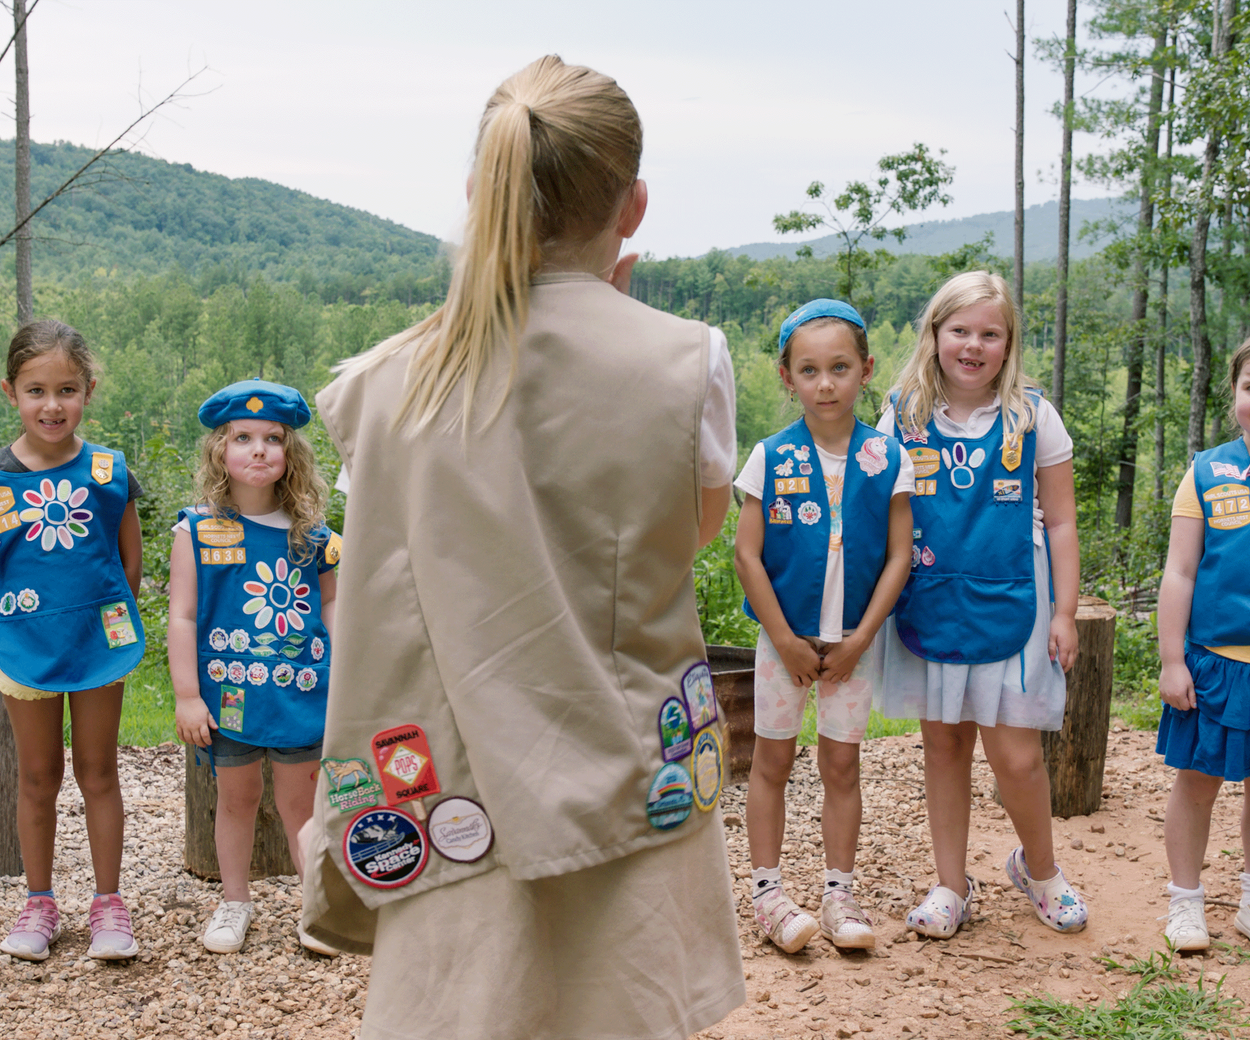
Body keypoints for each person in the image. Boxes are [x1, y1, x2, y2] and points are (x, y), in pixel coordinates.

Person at [300, 55, 745, 1040]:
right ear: (632, 206)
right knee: (619, 1004)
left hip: (451, 777)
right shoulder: (686, 359)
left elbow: (387, 553)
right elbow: (689, 534)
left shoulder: (384, 381)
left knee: (463, 1008)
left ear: (478, 191)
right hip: (626, 762)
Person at [875, 271, 1086, 938]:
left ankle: (1041, 870)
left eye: (989, 334)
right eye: (959, 330)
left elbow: (1061, 521)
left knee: (1016, 755)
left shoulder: (1032, 414)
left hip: (1015, 600)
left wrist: (1064, 612)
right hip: (932, 596)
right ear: (935, 334)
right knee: (943, 743)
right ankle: (949, 884)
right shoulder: (902, 413)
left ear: (1008, 343)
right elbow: (880, 509)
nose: (973, 345)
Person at [733, 299, 913, 953]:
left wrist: (862, 637)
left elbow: (898, 556)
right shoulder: (769, 457)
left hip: (852, 649)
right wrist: (781, 637)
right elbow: (746, 553)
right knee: (772, 761)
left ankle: (839, 894)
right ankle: (768, 895)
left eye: (840, 368)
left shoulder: (886, 457)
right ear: (787, 377)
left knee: (842, 765)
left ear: (865, 370)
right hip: (785, 644)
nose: (826, 383)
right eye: (809, 370)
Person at [169, 379, 340, 956]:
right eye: (243, 437)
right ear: (221, 450)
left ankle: (317, 908)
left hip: (303, 694)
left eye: (273, 438)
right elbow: (184, 616)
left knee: (301, 804)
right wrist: (188, 696)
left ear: (292, 454)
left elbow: (334, 605)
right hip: (227, 698)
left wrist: (347, 680)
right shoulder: (195, 529)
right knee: (236, 799)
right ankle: (234, 901)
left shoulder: (314, 537)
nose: (259, 449)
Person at [0, 320, 145, 962]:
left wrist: (103, 625)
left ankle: (108, 907)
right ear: (11, 393)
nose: (51, 405)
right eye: (36, 390)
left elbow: (129, 564)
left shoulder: (111, 471)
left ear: (88, 389)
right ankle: (39, 902)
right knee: (38, 776)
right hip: (23, 647)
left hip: (98, 645)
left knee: (98, 771)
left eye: (66, 389)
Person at [1155, 339, 1250, 951]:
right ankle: (1185, 902)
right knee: (1195, 785)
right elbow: (1180, 572)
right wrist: (1171, 659)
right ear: (1236, 393)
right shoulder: (1207, 472)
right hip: (1214, 664)